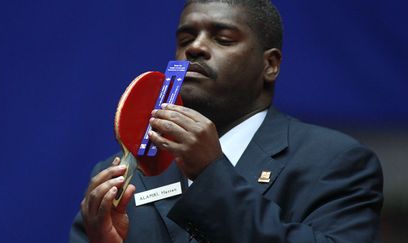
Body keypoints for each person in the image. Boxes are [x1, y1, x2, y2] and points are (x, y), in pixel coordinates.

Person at [70, 0, 383, 242]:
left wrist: (211, 173)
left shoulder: (335, 161)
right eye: (186, 38)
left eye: (223, 39)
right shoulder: (125, 175)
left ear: (270, 64)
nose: (195, 48)